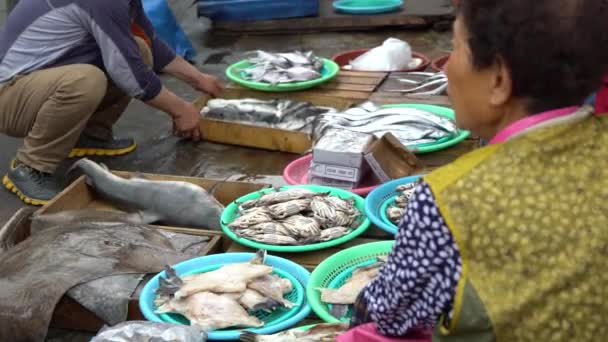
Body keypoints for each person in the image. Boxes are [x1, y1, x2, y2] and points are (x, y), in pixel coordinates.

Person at [340, 1, 608, 341]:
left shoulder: (448, 198)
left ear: (498, 80)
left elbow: (389, 315)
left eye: (455, 48)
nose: (447, 69)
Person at [0, 0, 223, 205]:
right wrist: (180, 109)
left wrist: (199, 79)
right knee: (86, 80)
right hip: (9, 93)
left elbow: (151, 42)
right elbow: (128, 72)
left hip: (40, 81)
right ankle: (30, 166)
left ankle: (90, 136)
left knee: (138, 48)